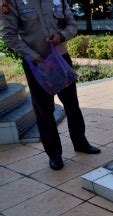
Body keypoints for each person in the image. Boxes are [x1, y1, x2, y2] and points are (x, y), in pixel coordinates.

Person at [1, 0, 100, 170]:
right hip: (36, 63)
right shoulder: (13, 2)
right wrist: (33, 55)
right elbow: (9, 35)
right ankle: (54, 155)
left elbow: (72, 25)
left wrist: (61, 36)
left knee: (72, 105)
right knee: (44, 110)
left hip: (60, 59)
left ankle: (81, 143)